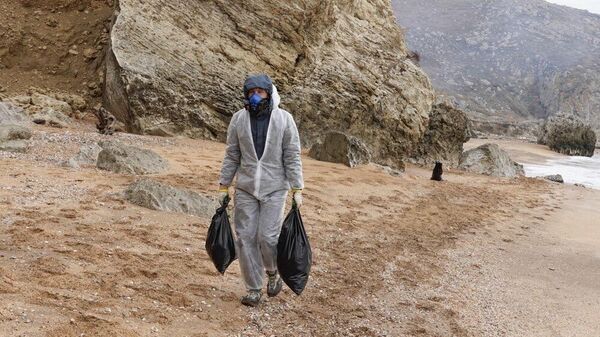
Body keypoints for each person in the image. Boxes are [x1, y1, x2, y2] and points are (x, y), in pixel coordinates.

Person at [218, 74, 304, 307]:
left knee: (267, 237)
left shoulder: (284, 119)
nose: (255, 96)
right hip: (245, 188)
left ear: (269, 93)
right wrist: (224, 185)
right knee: (245, 238)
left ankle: (273, 272)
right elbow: (232, 154)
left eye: (260, 91)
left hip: (275, 188)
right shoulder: (238, 119)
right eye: (251, 92)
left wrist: (297, 187)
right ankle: (253, 288)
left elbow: (292, 155)